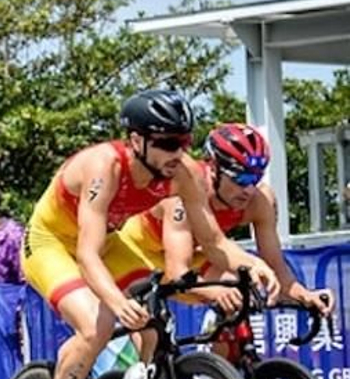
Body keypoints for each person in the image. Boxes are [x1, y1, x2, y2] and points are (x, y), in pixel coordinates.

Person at [21, 90, 279, 379]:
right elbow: (87, 255)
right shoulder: (105, 166)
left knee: (156, 324)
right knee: (96, 326)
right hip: (53, 242)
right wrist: (117, 302)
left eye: (184, 141)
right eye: (167, 143)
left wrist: (254, 265)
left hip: (108, 243)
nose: (178, 151)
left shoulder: (183, 172)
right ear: (137, 140)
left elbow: (213, 243)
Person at [114, 123, 336, 348]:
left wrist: (306, 295)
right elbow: (176, 273)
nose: (248, 190)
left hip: (192, 256)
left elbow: (278, 272)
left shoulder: (260, 202)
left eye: (255, 178)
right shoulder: (183, 190)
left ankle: (213, 378)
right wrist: (215, 292)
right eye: (240, 179)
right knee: (151, 347)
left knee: (239, 288)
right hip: (137, 258)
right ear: (213, 168)